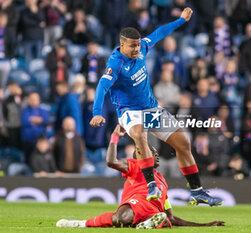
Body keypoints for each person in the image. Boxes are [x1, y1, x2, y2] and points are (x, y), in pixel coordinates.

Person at [90, 7, 223, 206]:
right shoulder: (115, 63)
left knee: (183, 143)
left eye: (138, 45)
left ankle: (197, 191)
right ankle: (151, 184)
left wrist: (181, 21)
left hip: (151, 109)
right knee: (139, 134)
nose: (137, 49)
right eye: (133, 46)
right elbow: (102, 86)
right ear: (122, 44)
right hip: (129, 111)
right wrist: (97, 112)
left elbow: (159, 33)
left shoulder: (142, 47)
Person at [56, 125, 225, 229]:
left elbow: (172, 217)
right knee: (121, 218)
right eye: (152, 152)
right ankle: (82, 223)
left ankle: (148, 223)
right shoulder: (135, 166)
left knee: (165, 220)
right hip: (135, 206)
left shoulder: (163, 182)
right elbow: (111, 161)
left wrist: (205, 225)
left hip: (154, 213)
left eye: (156, 153)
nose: (156, 155)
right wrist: (115, 137)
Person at [21, 92, 49, 163]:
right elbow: (25, 121)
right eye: (32, 99)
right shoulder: (24, 111)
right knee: (28, 159)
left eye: (35, 99)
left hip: (39, 140)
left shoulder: (43, 111)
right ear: (29, 100)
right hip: (27, 140)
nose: (33, 101)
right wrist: (39, 120)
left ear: (39, 100)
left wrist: (32, 119)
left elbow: (45, 120)